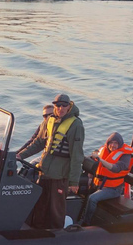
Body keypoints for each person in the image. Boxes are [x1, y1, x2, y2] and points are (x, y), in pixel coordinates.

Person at [19, 93, 85, 230]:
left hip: (60, 175)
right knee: (41, 205)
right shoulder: (49, 120)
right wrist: (20, 155)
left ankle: (57, 235)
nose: (60, 108)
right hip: (44, 171)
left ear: (69, 106)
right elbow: (38, 142)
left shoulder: (76, 125)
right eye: (58, 105)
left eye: (64, 106)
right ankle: (38, 231)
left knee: (56, 209)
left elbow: (77, 155)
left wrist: (73, 182)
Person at [81, 132, 133, 225]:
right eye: (111, 143)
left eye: (116, 143)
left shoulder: (125, 156)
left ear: (120, 144)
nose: (113, 145)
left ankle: (86, 223)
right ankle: (80, 216)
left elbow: (115, 169)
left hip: (114, 189)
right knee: (82, 190)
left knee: (92, 198)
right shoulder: (104, 150)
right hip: (99, 183)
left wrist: (101, 160)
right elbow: (92, 160)